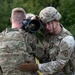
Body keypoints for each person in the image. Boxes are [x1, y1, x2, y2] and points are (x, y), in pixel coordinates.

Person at [18, 6, 75, 75]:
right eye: (44, 24)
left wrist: (36, 67)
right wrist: (33, 19)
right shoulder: (49, 30)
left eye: (49, 23)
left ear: (57, 20)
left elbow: (59, 64)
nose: (47, 27)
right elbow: (30, 25)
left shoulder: (67, 40)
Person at [0, 7, 42, 75]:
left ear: (11, 20)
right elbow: (45, 58)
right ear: (25, 20)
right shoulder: (29, 37)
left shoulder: (1, 37)